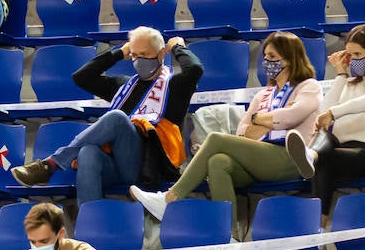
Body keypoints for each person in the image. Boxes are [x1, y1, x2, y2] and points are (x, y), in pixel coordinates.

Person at [131, 31, 322, 223]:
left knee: (216, 139)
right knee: (217, 161)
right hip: (260, 159)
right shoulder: (263, 95)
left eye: (272, 57)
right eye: (264, 57)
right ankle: (228, 234)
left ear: (290, 58)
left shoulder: (309, 86)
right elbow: (242, 131)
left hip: (292, 159)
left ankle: (169, 198)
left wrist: (259, 121)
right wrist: (265, 121)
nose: (266, 62)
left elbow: (291, 117)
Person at [11, 27, 204, 206]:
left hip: (150, 167)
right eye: (135, 55)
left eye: (144, 55)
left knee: (117, 118)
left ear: (161, 54)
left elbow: (195, 69)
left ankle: (51, 164)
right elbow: (81, 77)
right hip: (117, 165)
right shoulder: (124, 85)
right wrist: (119, 53)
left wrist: (178, 46)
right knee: (88, 152)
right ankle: (89, 225)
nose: (138, 61)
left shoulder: (175, 86)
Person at [285, 24, 365, 211]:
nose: (352, 61)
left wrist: (334, 113)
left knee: (324, 159)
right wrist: (341, 75)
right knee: (323, 148)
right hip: (343, 150)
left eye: (357, 55)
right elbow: (323, 112)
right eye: (349, 55)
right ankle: (311, 156)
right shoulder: (348, 84)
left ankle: (320, 223)